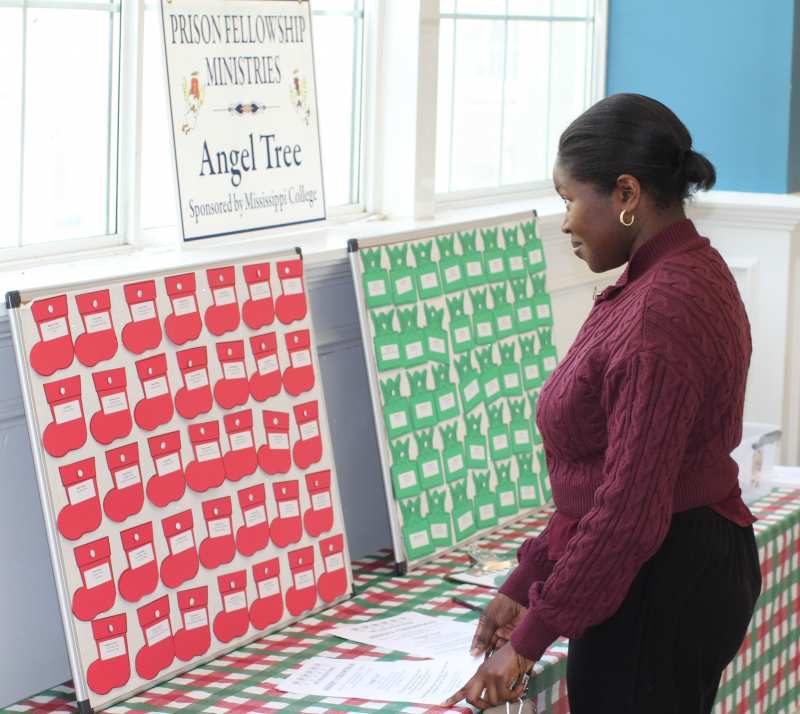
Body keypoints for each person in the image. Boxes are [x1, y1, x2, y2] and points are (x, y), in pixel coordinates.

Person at [445, 93, 762, 713]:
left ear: (625, 194)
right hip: (683, 561)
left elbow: (626, 512)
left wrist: (531, 638)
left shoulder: (658, 312)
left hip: (660, 582)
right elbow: (604, 477)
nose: (564, 222)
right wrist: (527, 579)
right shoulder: (681, 272)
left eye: (569, 200)